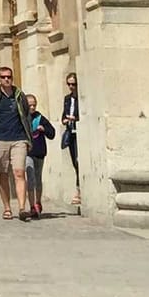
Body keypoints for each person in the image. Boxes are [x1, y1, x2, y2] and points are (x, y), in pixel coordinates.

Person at [0, 65, 32, 221]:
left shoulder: (19, 94)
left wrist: (28, 138)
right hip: (0, 138)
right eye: (3, 77)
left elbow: (27, 115)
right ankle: (7, 208)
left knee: (19, 172)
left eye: (9, 76)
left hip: (19, 138)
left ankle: (22, 208)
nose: (7, 79)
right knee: (3, 174)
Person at [22, 95, 56, 216]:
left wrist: (44, 129)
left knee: (38, 178)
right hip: (27, 153)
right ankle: (31, 206)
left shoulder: (40, 118)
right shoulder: (22, 118)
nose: (32, 107)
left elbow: (52, 133)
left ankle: (38, 202)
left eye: (34, 105)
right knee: (30, 177)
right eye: (30, 105)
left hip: (39, 152)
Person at [61, 73, 82, 209]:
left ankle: (79, 191)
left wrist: (75, 118)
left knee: (79, 161)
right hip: (71, 132)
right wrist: (65, 119)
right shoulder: (67, 99)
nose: (71, 87)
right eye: (69, 84)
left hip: (80, 131)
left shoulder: (81, 98)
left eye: (73, 84)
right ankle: (78, 189)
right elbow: (63, 114)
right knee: (75, 161)